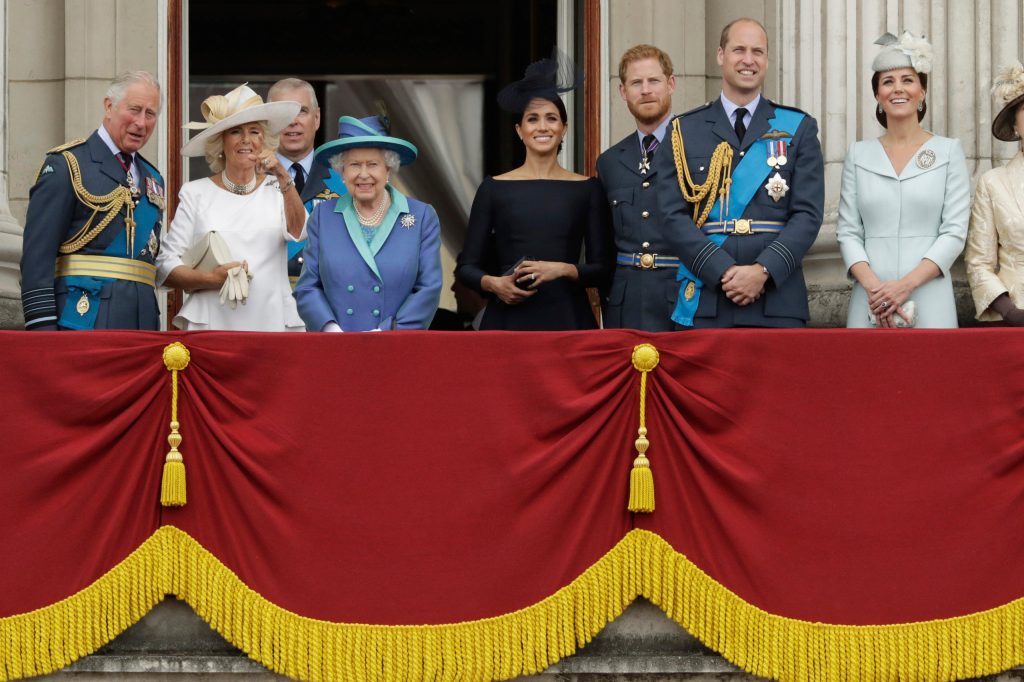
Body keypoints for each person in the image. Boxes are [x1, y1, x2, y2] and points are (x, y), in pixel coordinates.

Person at [654, 18, 824, 328]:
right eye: (739, 50)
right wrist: (721, 270)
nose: (749, 60)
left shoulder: (798, 127)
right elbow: (671, 215)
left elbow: (808, 215)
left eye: (758, 51)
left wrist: (762, 271)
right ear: (721, 55)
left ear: (767, 60)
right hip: (708, 298)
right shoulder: (684, 130)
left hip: (777, 299)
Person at [456, 52, 613, 330]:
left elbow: (604, 268)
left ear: (564, 128)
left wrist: (562, 269)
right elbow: (467, 267)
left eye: (551, 118)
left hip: (568, 320)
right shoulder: (494, 188)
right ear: (519, 130)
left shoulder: (588, 188)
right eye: (533, 119)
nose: (542, 126)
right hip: (507, 320)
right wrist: (494, 284)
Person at [837, 32, 969, 328]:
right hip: (871, 299)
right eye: (888, 81)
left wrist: (905, 285)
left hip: (929, 294)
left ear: (922, 91)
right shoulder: (858, 154)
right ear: (878, 96)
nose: (898, 89)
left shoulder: (948, 151)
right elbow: (847, 231)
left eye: (908, 80)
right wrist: (877, 289)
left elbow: (954, 232)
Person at [20, 71, 164, 330]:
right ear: (109, 107)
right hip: (83, 320)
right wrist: (42, 330)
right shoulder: (68, 165)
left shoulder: (153, 178)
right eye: (134, 110)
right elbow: (37, 257)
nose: (141, 123)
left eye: (150, 114)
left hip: (143, 324)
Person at [156, 84, 306, 331]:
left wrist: (281, 173)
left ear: (264, 140)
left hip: (272, 323)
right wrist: (210, 279)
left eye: (255, 131)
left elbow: (300, 231)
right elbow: (165, 267)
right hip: (213, 325)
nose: (246, 140)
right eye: (235, 131)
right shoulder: (196, 193)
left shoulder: (279, 187)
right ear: (220, 142)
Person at [293, 115, 441, 331]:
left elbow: (429, 288)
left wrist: (388, 331)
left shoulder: (422, 217)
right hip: (337, 345)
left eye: (373, 164)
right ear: (342, 171)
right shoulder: (323, 216)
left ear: (388, 169)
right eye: (354, 165)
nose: (363, 174)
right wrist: (330, 329)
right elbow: (307, 287)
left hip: (396, 345)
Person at [597, 44, 679, 331]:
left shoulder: (698, 149)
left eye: (653, 81)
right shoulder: (609, 162)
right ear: (623, 91)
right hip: (627, 304)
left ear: (670, 84)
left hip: (682, 299)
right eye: (636, 83)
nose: (645, 90)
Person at [965, 60, 1024, 326]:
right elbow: (978, 263)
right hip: (1016, 320)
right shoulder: (993, 183)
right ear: (1014, 126)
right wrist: (1011, 312)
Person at [268, 78, 339, 286]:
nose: (293, 121)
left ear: (316, 118)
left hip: (325, 307)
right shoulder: (250, 180)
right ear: (268, 122)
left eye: (301, 111)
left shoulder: (345, 182)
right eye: (283, 113)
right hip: (266, 304)